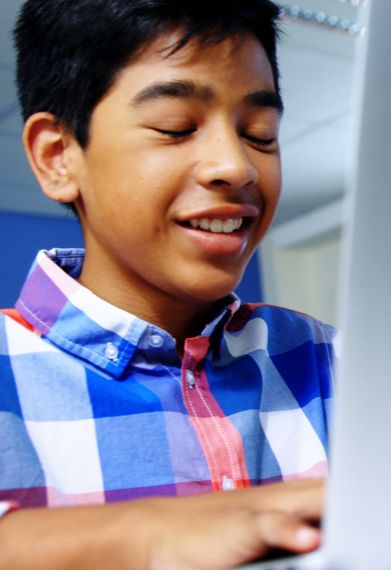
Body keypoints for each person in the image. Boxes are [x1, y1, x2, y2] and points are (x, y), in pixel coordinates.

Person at [0, 1, 331, 567]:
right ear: (58, 157)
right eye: (176, 128)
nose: (237, 166)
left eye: (260, 134)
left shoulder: (339, 360)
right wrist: (148, 532)